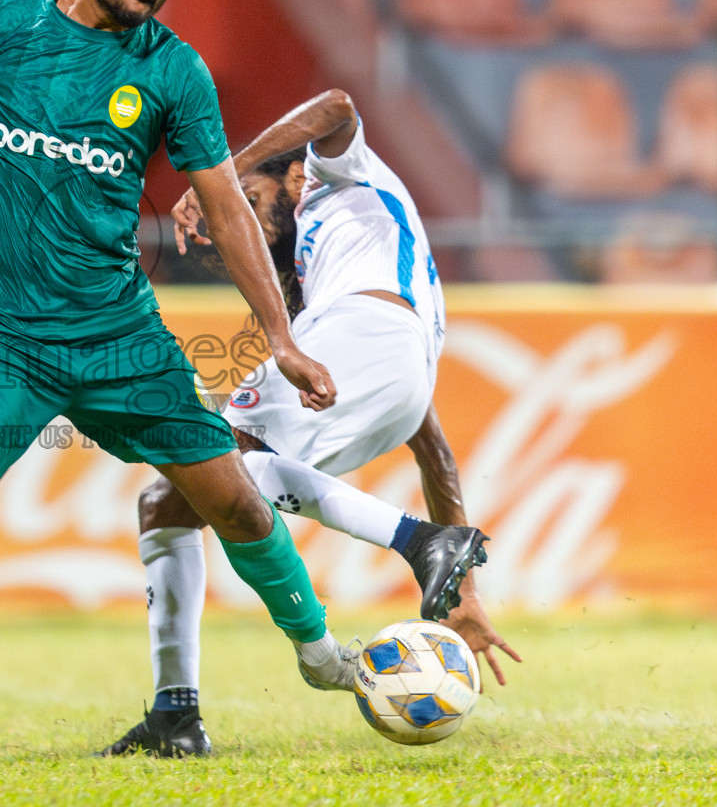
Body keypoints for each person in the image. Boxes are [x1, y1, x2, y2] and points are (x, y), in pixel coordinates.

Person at [0, 0, 408, 773]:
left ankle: (320, 654)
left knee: (233, 499)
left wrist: (279, 334)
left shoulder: (173, 71)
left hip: (118, 336)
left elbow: (228, 207)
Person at [103, 89, 521, 758]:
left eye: (253, 199)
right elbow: (433, 450)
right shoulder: (355, 259)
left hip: (364, 329)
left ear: (292, 175)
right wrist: (463, 592)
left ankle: (413, 546)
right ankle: (175, 717)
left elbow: (336, 105)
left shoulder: (335, 176)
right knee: (171, 499)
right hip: (402, 375)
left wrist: (223, 173)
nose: (246, 217)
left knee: (218, 464)